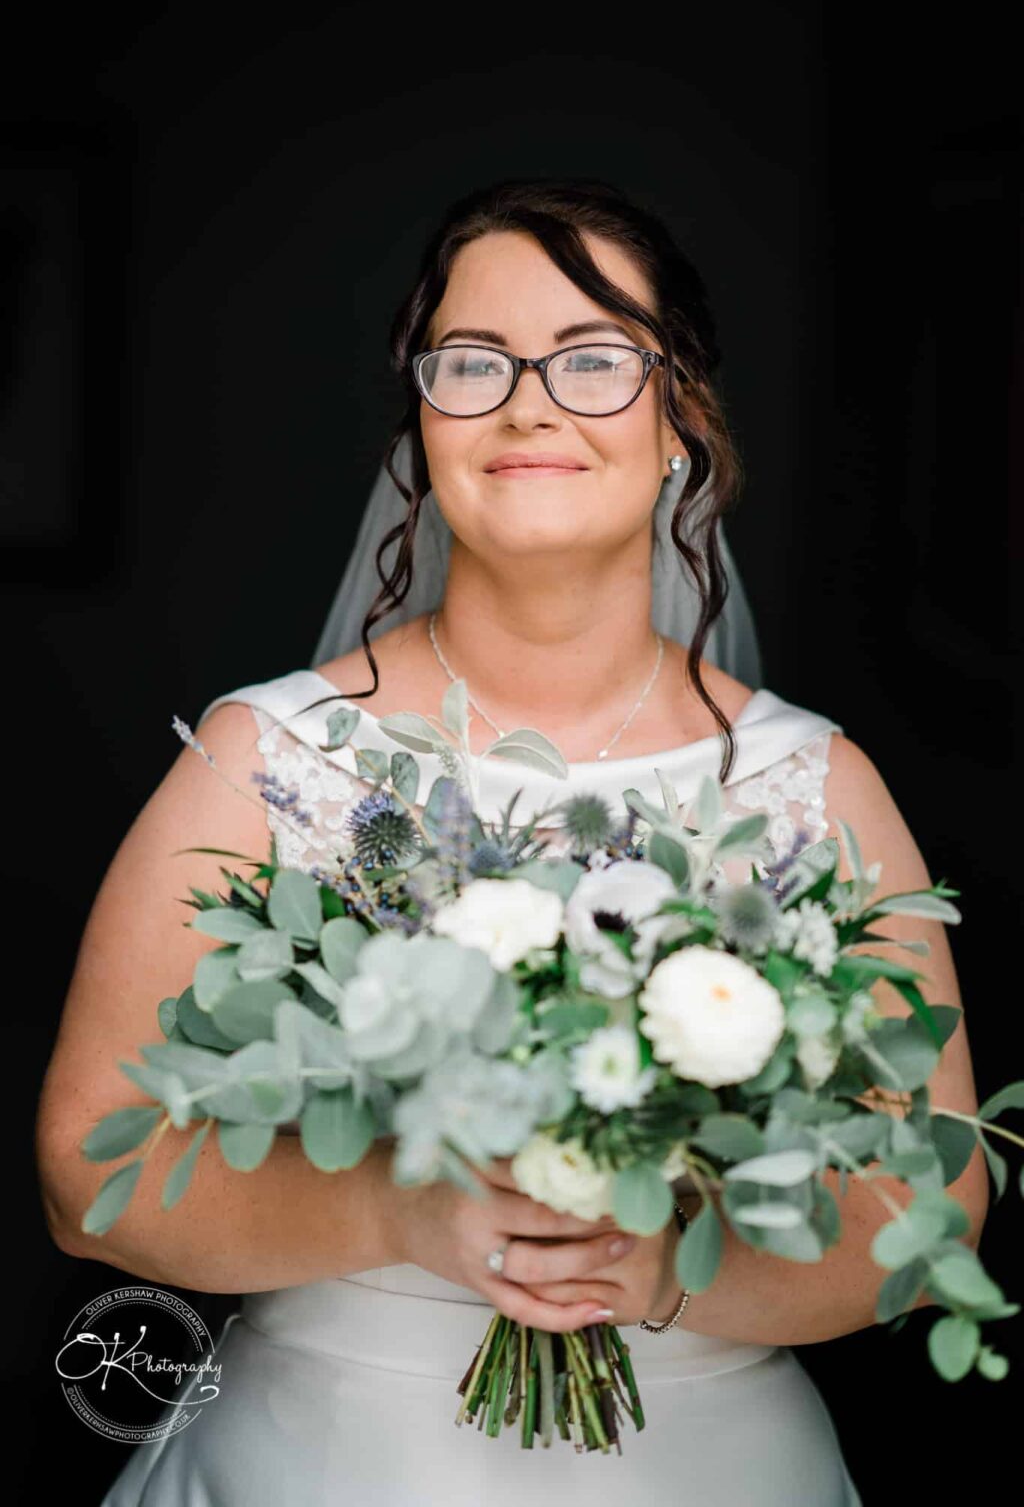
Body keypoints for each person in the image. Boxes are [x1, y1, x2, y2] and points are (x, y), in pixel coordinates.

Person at [37, 178, 988, 1505]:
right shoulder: (264, 762)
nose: (528, 402)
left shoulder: (814, 789)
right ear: (423, 429)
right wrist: (397, 1211)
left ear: (681, 421)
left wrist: (655, 1261)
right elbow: (91, 1182)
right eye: (473, 363)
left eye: (595, 359)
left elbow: (920, 1214)